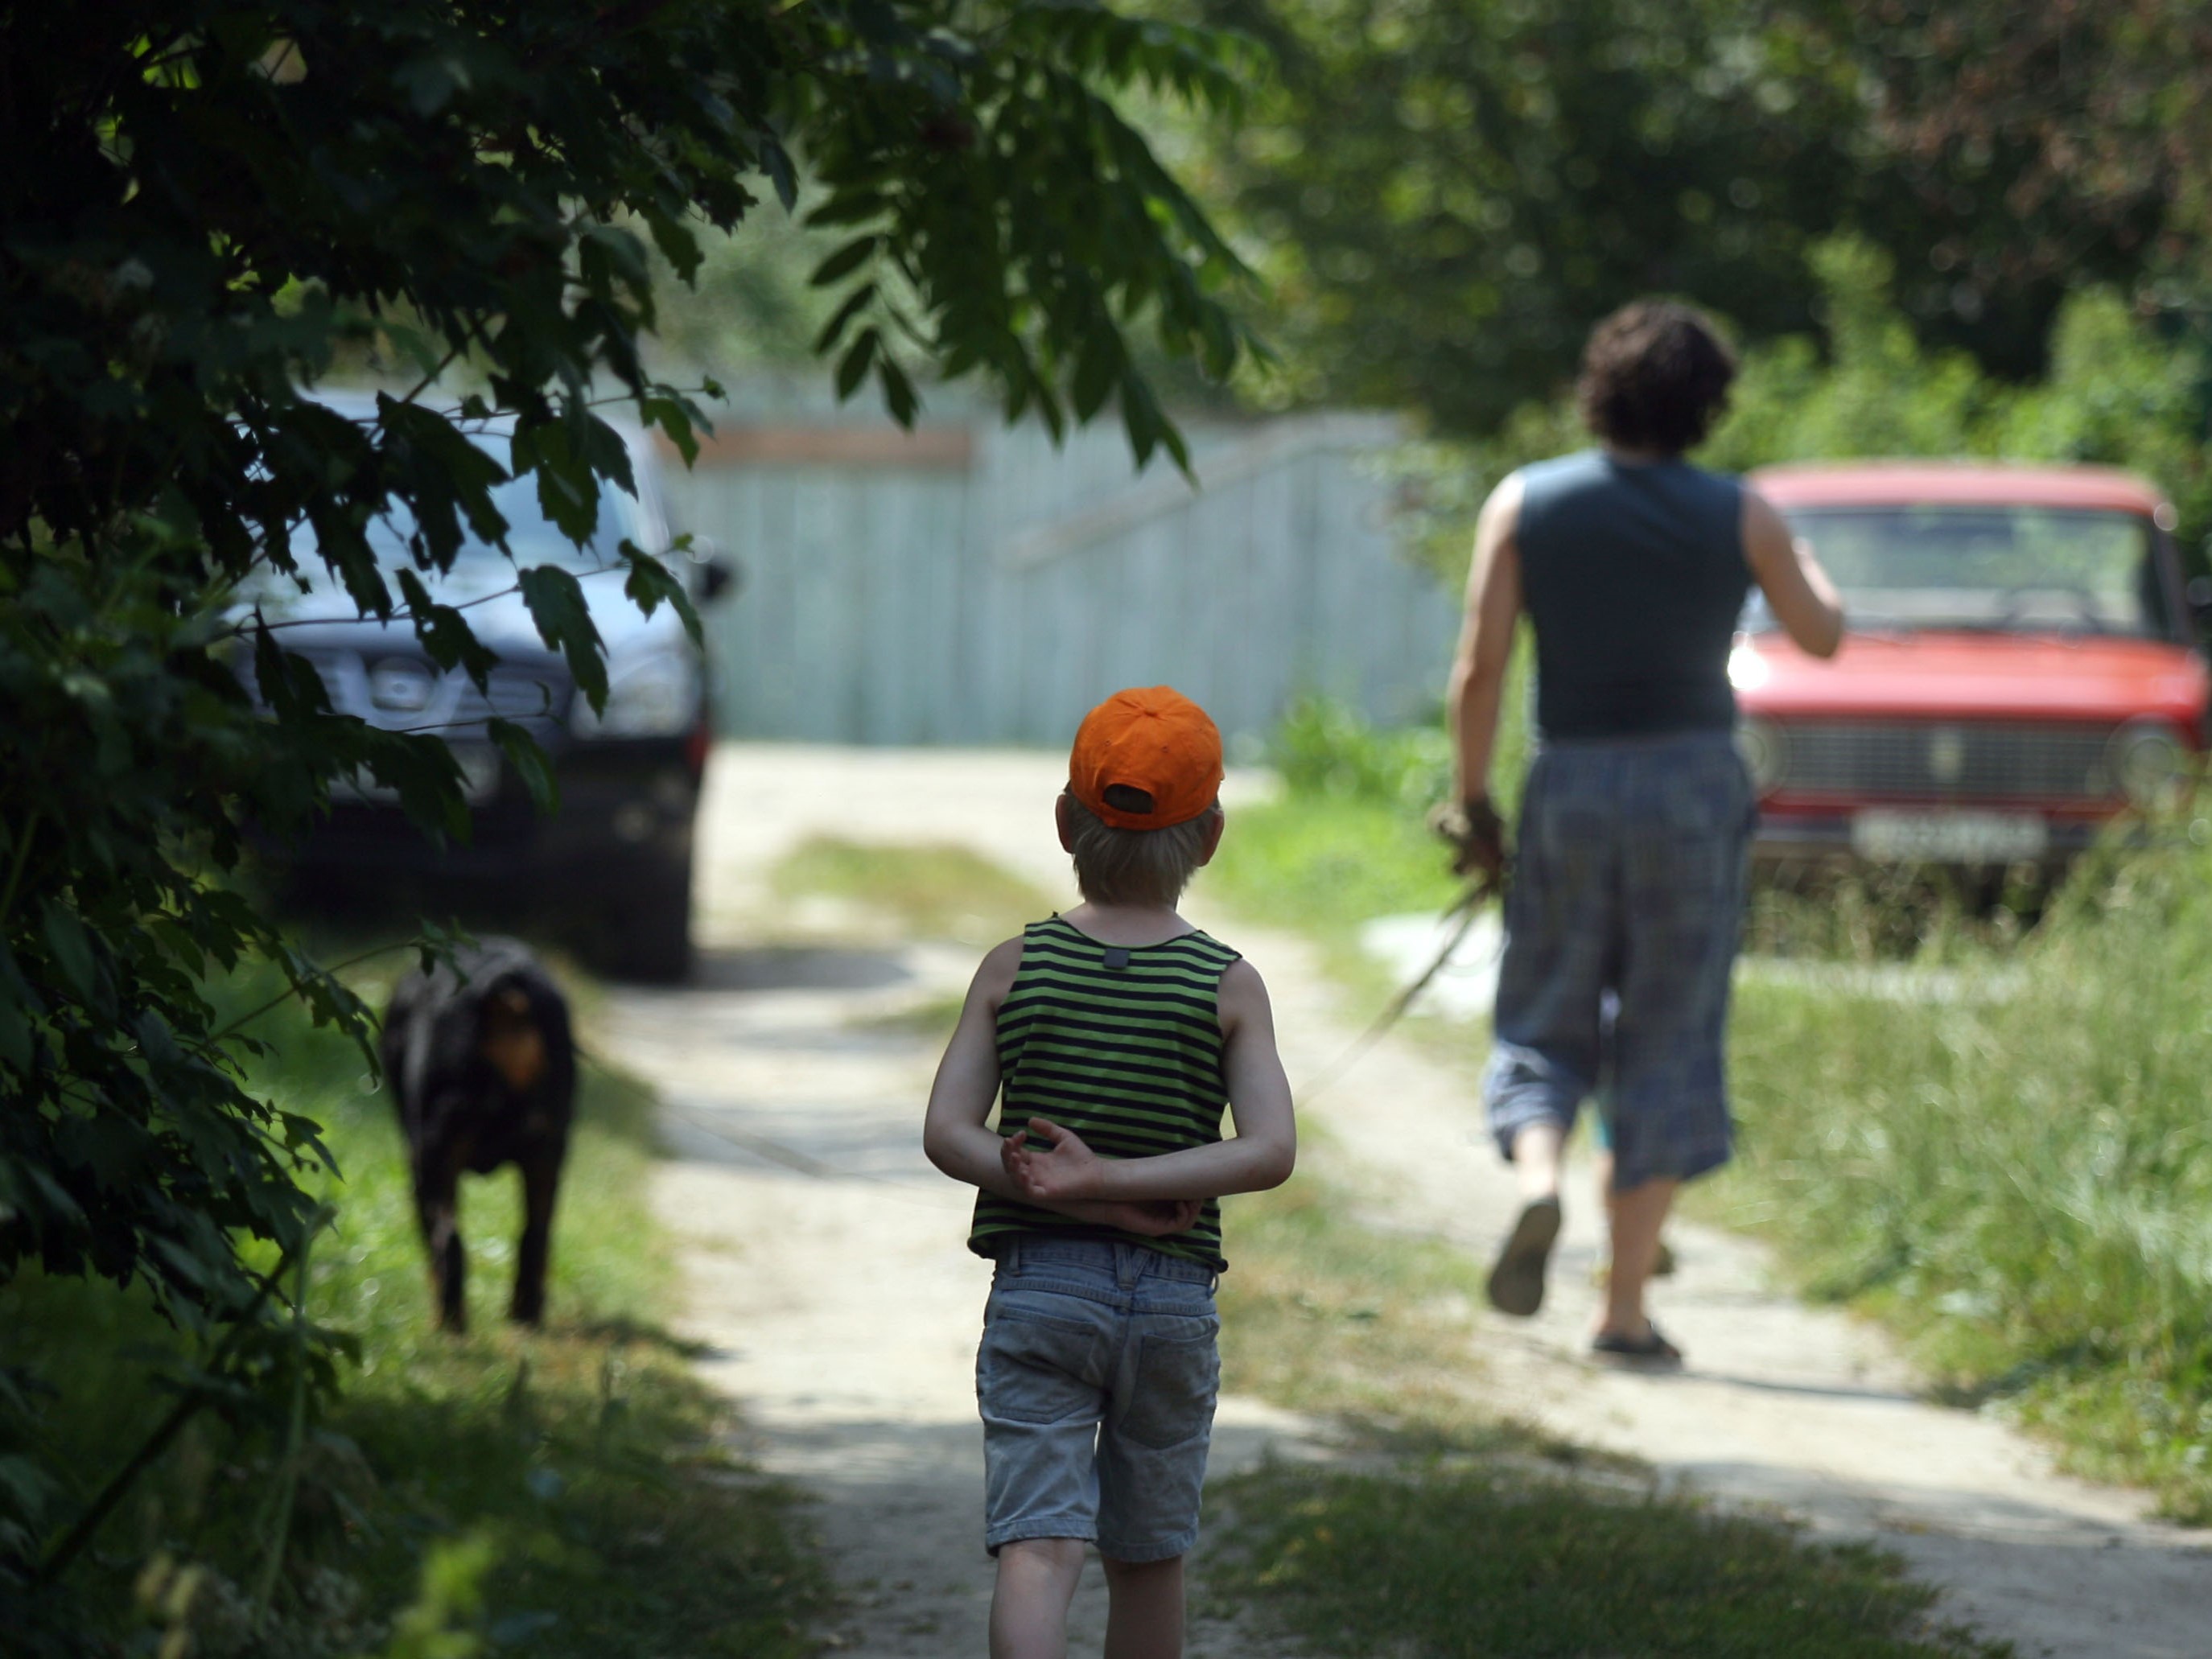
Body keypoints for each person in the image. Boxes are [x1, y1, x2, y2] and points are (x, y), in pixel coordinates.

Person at [1436, 299, 1844, 1367]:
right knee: (1667, 1031)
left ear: (1598, 389)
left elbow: (1479, 668)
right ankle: (1620, 1311)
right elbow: (1821, 634)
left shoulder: (1525, 501)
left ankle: (1536, 1180)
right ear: (1707, 403)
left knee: (1545, 1000)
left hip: (1570, 777)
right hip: (1692, 791)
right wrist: (1820, 567)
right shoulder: (1740, 511)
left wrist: (1474, 806)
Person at [922, 685, 1297, 1659]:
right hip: (1172, 1305)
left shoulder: (1016, 965)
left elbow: (947, 1129)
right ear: (1210, 836)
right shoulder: (1225, 981)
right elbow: (1267, 1149)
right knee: (1148, 1556)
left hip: (1042, 1289)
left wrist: (1057, 1182)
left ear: (1063, 822)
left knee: (1039, 1548)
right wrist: (1124, 1186)